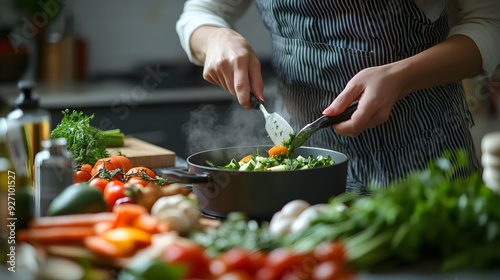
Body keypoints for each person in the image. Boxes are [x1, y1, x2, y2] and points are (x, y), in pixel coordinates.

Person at [176, 0, 500, 192]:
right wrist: (215, 37)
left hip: (425, 159)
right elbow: (198, 13)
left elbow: (491, 25)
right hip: (299, 171)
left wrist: (399, 78)